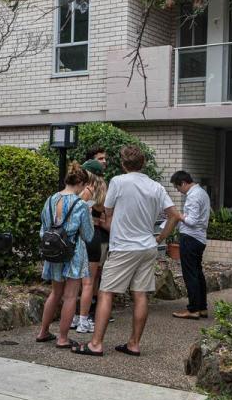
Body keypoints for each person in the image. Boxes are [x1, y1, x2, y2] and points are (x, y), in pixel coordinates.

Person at [72, 146, 179, 357]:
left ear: (123, 164)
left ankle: (95, 344)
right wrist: (161, 237)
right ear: (144, 163)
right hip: (148, 247)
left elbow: (107, 211)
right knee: (140, 295)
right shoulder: (156, 186)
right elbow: (174, 215)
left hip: (123, 247)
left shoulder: (118, 182)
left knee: (105, 292)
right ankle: (134, 344)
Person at [35, 163, 95, 349]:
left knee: (55, 293)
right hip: (73, 252)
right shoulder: (81, 205)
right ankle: (62, 338)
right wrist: (89, 212)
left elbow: (43, 229)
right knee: (70, 296)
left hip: (53, 251)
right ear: (81, 183)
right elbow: (88, 235)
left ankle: (43, 331)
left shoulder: (51, 200)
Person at [170, 171, 211, 320]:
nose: (178, 191)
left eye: (177, 187)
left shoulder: (193, 196)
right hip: (199, 239)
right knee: (198, 274)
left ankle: (193, 309)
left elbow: (192, 221)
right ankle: (202, 308)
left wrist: (177, 215)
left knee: (190, 275)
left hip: (191, 238)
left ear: (183, 183)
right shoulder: (202, 193)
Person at [74, 160, 107, 334]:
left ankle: (78, 319)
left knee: (81, 282)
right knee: (89, 282)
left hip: (83, 236)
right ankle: (83, 319)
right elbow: (103, 214)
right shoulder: (102, 190)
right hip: (95, 237)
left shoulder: (86, 190)